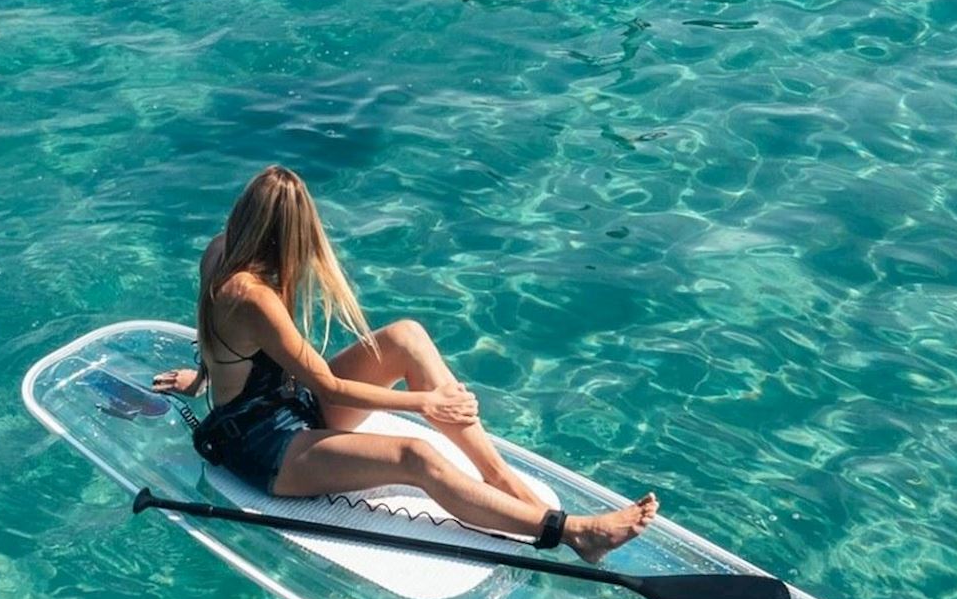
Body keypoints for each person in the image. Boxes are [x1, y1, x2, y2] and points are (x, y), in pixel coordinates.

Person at [153, 166, 658, 561]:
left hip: (286, 405)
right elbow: (329, 384)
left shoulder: (220, 252)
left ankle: (498, 478)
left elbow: (216, 337)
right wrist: (425, 401)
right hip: (265, 447)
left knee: (406, 337)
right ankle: (574, 533)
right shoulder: (252, 294)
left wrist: (203, 379)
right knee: (416, 457)